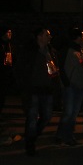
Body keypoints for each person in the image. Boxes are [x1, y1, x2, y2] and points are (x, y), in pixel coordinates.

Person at [20, 27, 61, 156]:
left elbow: (54, 70)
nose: (50, 37)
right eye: (47, 35)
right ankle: (30, 143)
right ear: (39, 36)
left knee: (47, 116)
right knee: (32, 117)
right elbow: (20, 69)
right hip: (33, 89)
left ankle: (32, 136)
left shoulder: (51, 52)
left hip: (47, 89)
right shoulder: (30, 51)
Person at [56, 28, 83, 146]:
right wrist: (66, 83)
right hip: (70, 85)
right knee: (69, 112)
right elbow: (62, 68)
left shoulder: (81, 50)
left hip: (80, 84)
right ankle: (66, 136)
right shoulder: (67, 50)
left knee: (73, 113)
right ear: (78, 37)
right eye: (82, 36)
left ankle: (62, 135)